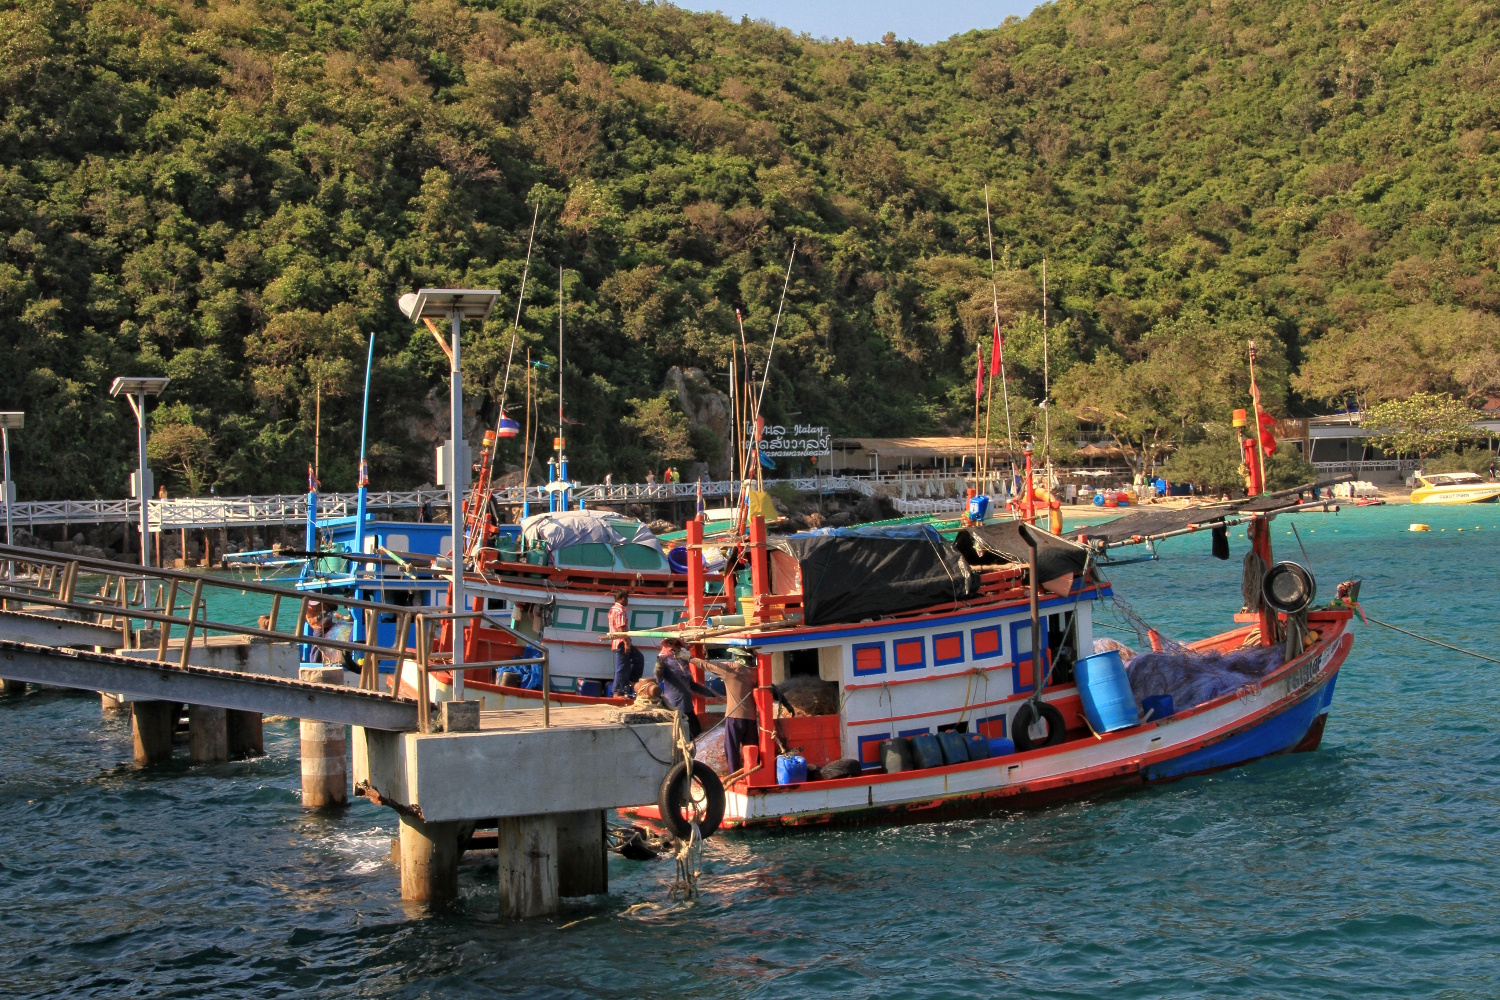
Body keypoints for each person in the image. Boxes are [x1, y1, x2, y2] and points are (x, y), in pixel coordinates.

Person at [701, 653, 758, 771]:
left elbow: (705, 665)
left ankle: (734, 774)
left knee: (732, 749)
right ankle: (753, 771)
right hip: (751, 719)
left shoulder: (731, 669)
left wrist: (689, 658)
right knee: (752, 748)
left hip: (734, 718)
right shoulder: (756, 672)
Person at [653, 637, 718, 737]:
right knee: (683, 736)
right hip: (674, 706)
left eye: (677, 644)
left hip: (687, 705)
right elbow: (659, 678)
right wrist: (659, 666)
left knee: (696, 733)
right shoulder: (663, 660)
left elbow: (691, 685)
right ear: (666, 645)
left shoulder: (683, 662)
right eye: (671, 643)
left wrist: (712, 694)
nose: (674, 646)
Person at [608, 590, 643, 698]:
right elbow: (621, 629)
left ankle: (630, 681)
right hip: (621, 642)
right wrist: (626, 643)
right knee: (622, 667)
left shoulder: (613, 609)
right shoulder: (619, 610)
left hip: (620, 642)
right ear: (622, 598)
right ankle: (618, 692)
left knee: (637, 659)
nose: (628, 600)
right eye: (627, 598)